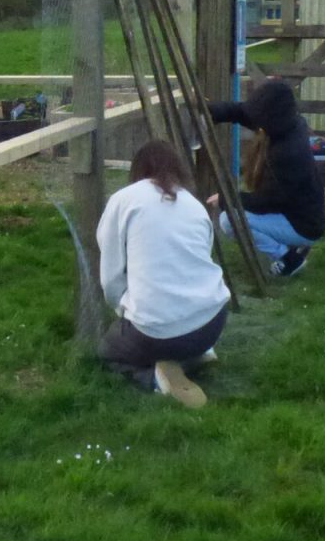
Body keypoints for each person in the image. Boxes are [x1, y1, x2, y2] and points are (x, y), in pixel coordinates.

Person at [96, 140, 231, 407]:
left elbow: (110, 276)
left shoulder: (123, 200)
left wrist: (123, 310)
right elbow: (200, 259)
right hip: (213, 323)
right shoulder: (194, 205)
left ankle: (155, 378)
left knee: (108, 350)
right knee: (180, 333)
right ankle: (196, 355)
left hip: (155, 333)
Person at [208, 76, 325, 277]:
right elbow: (244, 113)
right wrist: (212, 111)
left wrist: (227, 199)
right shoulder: (287, 125)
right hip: (300, 214)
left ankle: (289, 258)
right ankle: (293, 246)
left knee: (229, 221)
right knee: (236, 215)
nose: (255, 121)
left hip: (303, 225)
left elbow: (268, 202)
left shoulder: (289, 152)